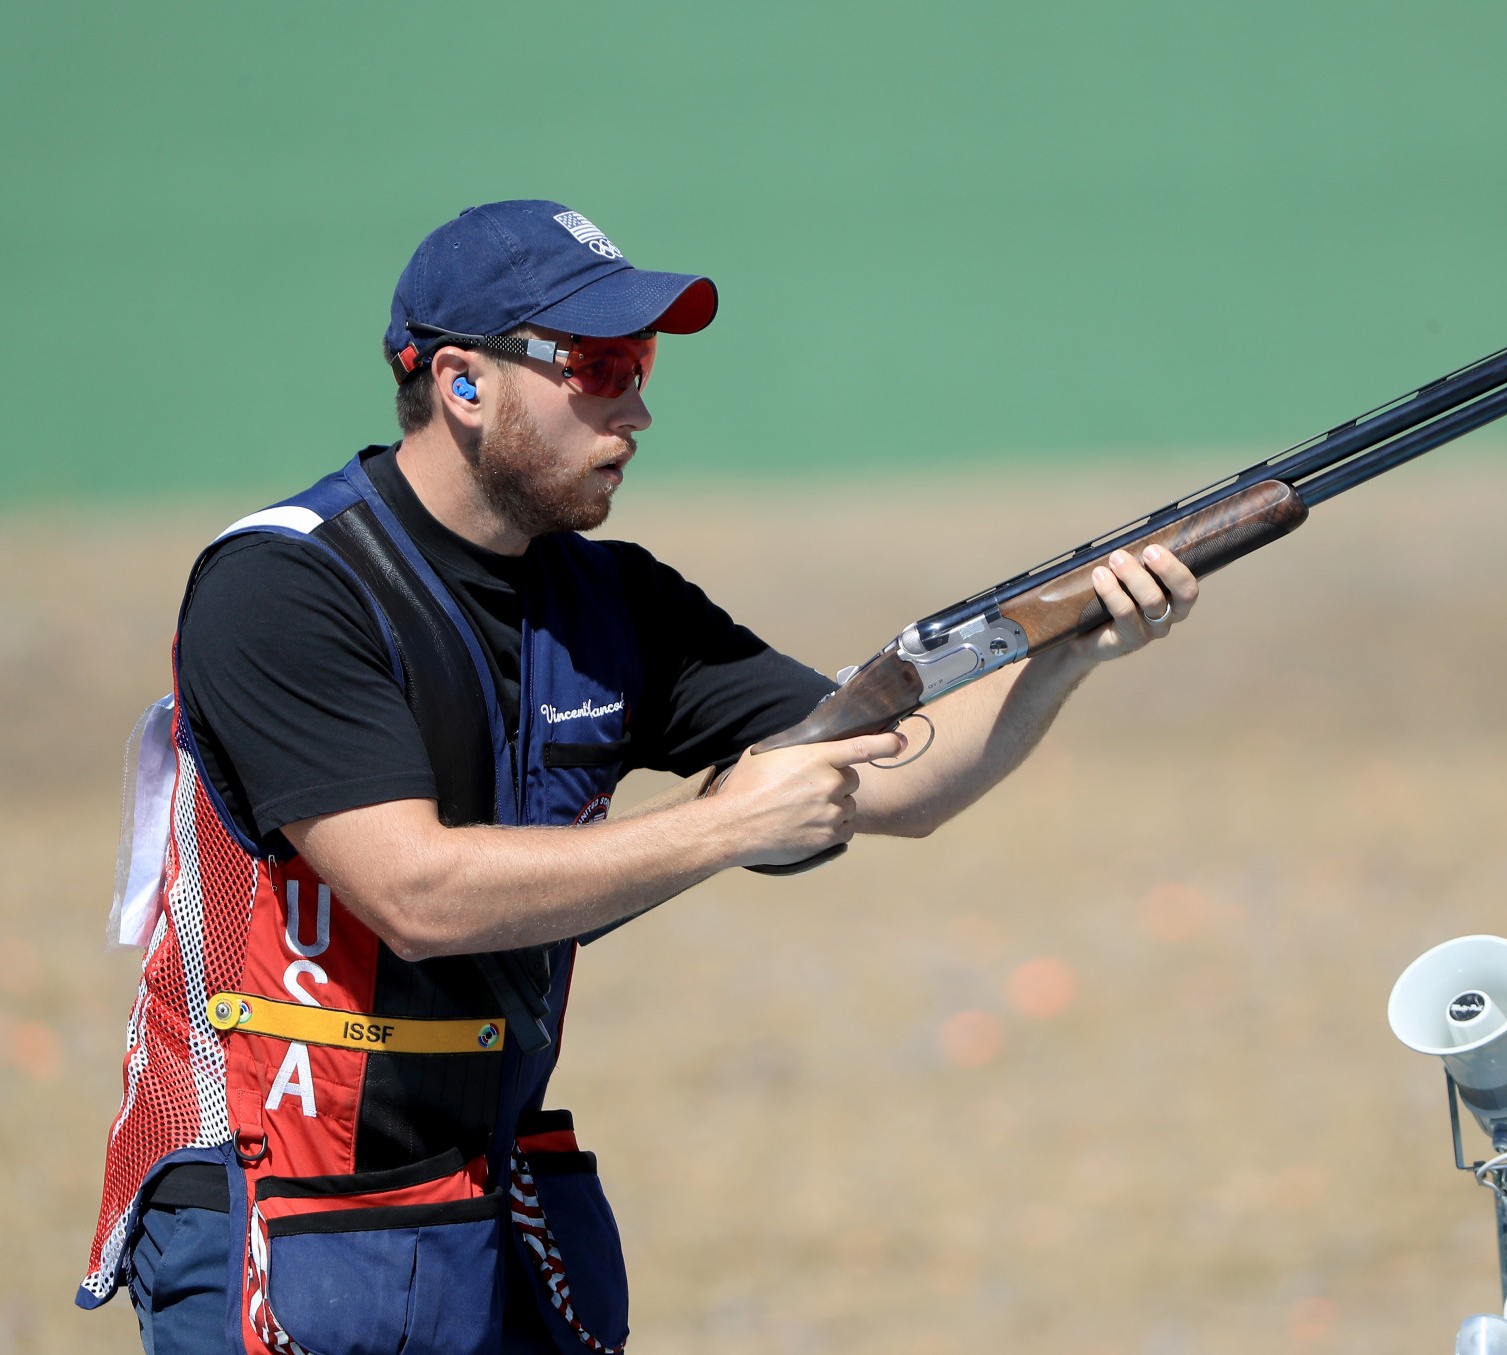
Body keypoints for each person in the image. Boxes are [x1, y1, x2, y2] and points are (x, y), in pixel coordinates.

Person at [78, 199, 1200, 1354]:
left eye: (643, 361)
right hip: (274, 1194)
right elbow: (411, 894)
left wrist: (1067, 652)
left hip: (476, 1192)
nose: (639, 407)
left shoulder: (613, 597)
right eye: (599, 365)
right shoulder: (287, 587)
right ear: (462, 383)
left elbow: (889, 780)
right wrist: (719, 824)